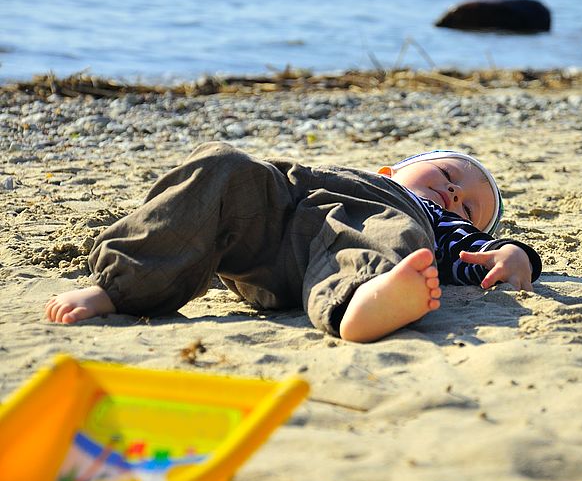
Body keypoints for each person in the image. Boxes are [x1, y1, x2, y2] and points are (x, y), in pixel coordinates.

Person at [44, 143, 541, 342]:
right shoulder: (362, 175)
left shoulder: (426, 213)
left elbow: (474, 256)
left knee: (394, 240)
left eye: (469, 207)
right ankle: (121, 286)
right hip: (279, 213)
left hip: (343, 243)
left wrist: (514, 254)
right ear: (394, 169)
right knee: (224, 167)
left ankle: (362, 301)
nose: (455, 194)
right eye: (452, 174)